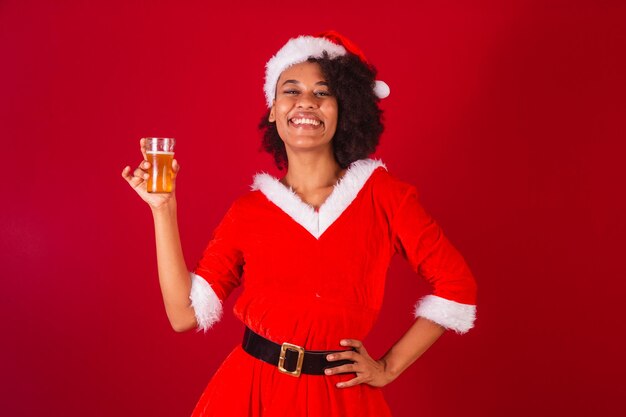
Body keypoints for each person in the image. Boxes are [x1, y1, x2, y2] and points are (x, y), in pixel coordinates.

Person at [121, 31, 477, 417]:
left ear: (345, 109)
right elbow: (184, 314)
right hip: (249, 393)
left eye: (323, 92)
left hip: (340, 397)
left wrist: (389, 366)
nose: (306, 101)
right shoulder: (249, 210)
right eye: (291, 90)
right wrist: (164, 208)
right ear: (273, 109)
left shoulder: (383, 196)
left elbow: (458, 287)